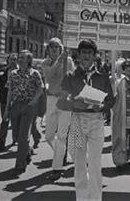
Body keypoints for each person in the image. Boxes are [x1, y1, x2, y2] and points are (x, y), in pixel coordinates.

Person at [61, 39, 114, 201]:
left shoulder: (103, 77)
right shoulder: (70, 76)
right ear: (78, 54)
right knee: (79, 164)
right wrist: (72, 102)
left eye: (89, 53)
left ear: (95, 55)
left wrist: (103, 106)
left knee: (95, 163)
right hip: (77, 119)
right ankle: (82, 198)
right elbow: (62, 100)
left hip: (96, 120)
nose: (86, 56)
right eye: (83, 52)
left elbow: (112, 100)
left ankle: (96, 198)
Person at [4, 50, 44, 176]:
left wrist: (33, 102)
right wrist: (6, 108)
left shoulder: (35, 73)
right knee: (16, 137)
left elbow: (41, 88)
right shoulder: (13, 74)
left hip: (28, 106)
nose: (20, 60)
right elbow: (10, 91)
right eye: (19, 57)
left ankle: (20, 165)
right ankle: (28, 151)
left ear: (29, 60)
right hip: (15, 106)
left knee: (23, 137)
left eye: (23, 58)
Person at [41, 38, 75, 181]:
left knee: (61, 135)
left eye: (57, 47)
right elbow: (48, 76)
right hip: (51, 99)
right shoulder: (45, 63)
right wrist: (59, 61)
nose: (54, 49)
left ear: (61, 48)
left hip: (64, 100)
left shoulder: (68, 61)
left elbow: (72, 78)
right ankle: (62, 155)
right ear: (48, 50)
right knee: (49, 136)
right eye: (51, 47)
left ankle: (57, 167)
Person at [0, 53, 18, 151]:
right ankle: (1, 143)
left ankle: (17, 140)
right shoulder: (4, 72)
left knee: (16, 122)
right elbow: (0, 87)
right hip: (4, 100)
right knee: (4, 121)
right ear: (8, 60)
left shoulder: (21, 72)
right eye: (11, 59)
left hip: (17, 100)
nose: (13, 61)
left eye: (15, 59)